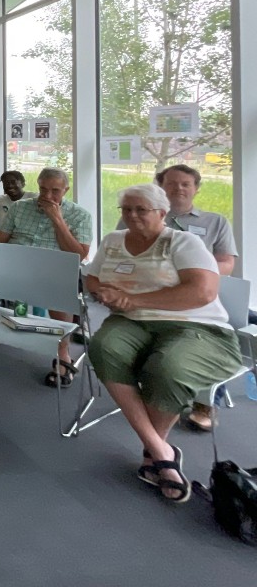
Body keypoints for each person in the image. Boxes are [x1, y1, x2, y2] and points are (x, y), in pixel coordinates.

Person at [86, 184, 242, 504]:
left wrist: (132, 298)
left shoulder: (184, 242)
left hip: (194, 324)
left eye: (141, 210)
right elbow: (91, 276)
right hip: (131, 322)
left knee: (168, 366)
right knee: (103, 346)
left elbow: (203, 293)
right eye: (126, 209)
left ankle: (153, 454)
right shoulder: (113, 241)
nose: (132, 215)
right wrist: (102, 291)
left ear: (161, 213)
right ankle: (160, 450)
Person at [0, 167, 92, 386]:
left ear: (66, 190)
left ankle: (62, 353)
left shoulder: (80, 215)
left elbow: (79, 255)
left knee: (62, 285)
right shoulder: (19, 208)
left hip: (53, 268)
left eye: (55, 191)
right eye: (43, 189)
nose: (47, 196)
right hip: (16, 263)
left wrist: (58, 220)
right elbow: (1, 237)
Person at [153, 165, 238, 431]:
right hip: (156, 294)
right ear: (160, 187)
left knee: (208, 340)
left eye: (186, 184)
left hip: (200, 297)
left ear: (196, 188)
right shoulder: (141, 215)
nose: (178, 188)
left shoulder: (215, 222)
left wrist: (195, 275)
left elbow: (226, 262)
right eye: (172, 184)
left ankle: (206, 404)